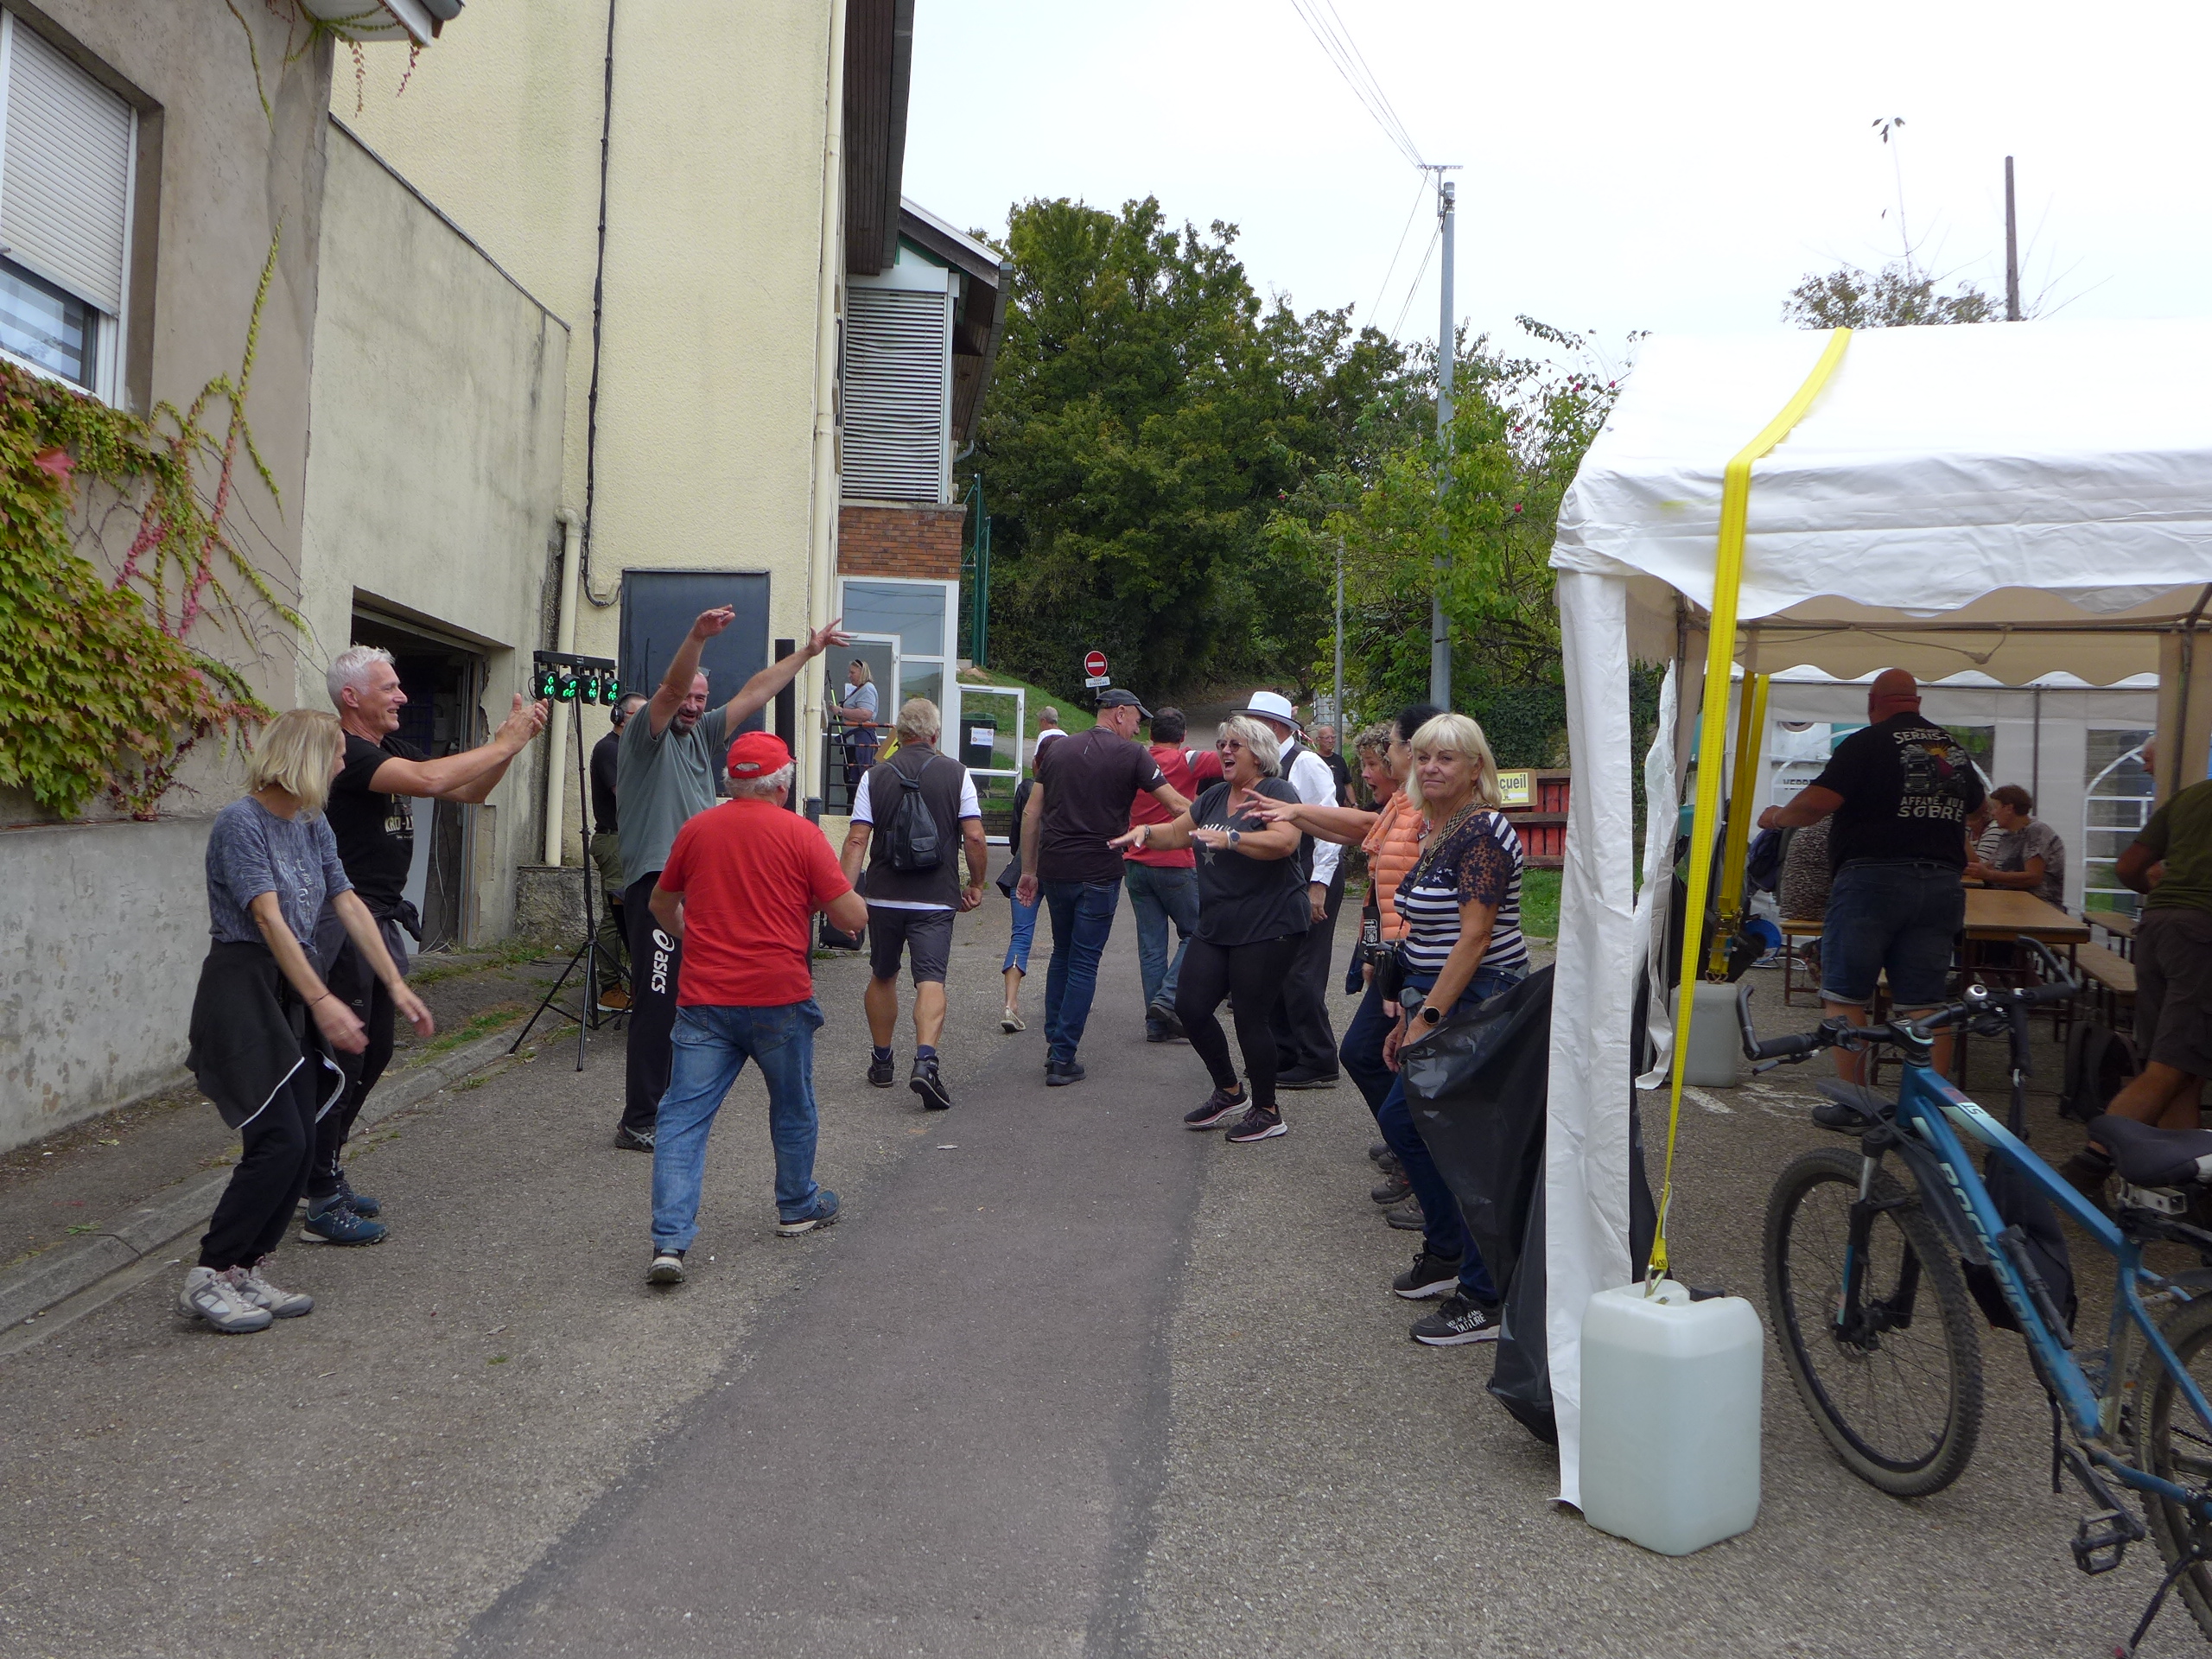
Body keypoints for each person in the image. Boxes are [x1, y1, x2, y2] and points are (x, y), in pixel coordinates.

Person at [181, 709, 433, 1332]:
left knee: (302, 1139)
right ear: (306, 758)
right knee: (279, 1141)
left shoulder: (312, 823)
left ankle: (245, 1268)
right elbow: (267, 918)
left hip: (289, 987)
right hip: (243, 988)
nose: (345, 764)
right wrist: (321, 1000)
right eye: (337, 754)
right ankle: (209, 1275)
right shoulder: (241, 822)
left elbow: (348, 902)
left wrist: (396, 983)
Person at [315, 645, 545, 1243]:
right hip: (345, 923)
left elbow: (466, 791)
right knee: (344, 1060)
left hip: (378, 921)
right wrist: (503, 740)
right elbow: (431, 779)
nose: (402, 696)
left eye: (398, 685)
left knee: (374, 1053)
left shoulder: (388, 747)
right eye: (388, 688)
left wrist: (510, 748)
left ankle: (326, 1169)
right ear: (351, 697)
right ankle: (317, 1194)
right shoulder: (349, 753)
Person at [614, 607, 851, 1152]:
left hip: (698, 884)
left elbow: (755, 692)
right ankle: (640, 1118)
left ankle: (675, 1108)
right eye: (689, 698)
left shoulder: (701, 737)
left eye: (702, 699)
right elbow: (671, 691)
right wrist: (697, 635)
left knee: (692, 1005)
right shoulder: (646, 738)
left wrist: (808, 653)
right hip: (657, 884)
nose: (694, 706)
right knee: (658, 1002)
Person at [645, 733, 868, 1284]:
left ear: (730, 781)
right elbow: (850, 918)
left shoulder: (697, 829)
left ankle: (669, 1242)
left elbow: (660, 903)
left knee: (681, 1118)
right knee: (792, 1107)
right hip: (778, 997)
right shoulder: (801, 834)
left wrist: (692, 936)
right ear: (782, 785)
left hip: (705, 999)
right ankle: (796, 1206)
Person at [1377, 713, 1529, 1346]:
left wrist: (1429, 1019)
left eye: (1447, 757)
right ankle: (1446, 1251)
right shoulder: (1441, 827)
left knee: (1456, 1142)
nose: (1432, 767)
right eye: (1424, 757)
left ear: (1475, 768)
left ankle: (1485, 1295)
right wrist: (1411, 1007)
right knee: (1407, 1124)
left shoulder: (1484, 832)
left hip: (1480, 1000)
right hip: (1442, 995)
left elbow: (1475, 938)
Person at [1759, 670, 1983, 1084]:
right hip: (1941, 884)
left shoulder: (1867, 743)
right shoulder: (1949, 748)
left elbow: (1817, 804)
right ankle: (1930, 1103)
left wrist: (1777, 818)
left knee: (1845, 995)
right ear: (1917, 702)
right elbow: (1977, 807)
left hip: (1873, 881)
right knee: (1926, 1003)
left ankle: (1855, 1100)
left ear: (1873, 703)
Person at [1258, 706, 1437, 1206]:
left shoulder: (1428, 810)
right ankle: (1409, 1155)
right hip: (1396, 959)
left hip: (1413, 964)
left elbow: (1427, 898)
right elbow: (1360, 832)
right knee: (1369, 1055)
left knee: (1382, 1060)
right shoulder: (1402, 803)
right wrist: (1294, 814)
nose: (1370, 770)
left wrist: (1295, 814)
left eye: (1384, 754)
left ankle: (1420, 1170)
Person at [1111, 715, 1307, 1141]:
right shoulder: (1215, 795)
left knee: (1251, 1018)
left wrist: (1235, 840)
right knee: (1190, 1006)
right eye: (1222, 744)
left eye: (1235, 745)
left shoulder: (1275, 792)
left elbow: (1285, 842)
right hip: (1219, 921)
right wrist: (1143, 832)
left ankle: (1267, 1110)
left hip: (1270, 921)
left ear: (1259, 754)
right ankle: (1229, 1091)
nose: (1225, 751)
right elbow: (1177, 834)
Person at [1015, 689, 1189, 1085]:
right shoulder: (1132, 756)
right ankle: (1063, 1057)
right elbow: (1177, 806)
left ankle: (1054, 1044)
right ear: (1120, 713)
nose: (1138, 729)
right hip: (1098, 870)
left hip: (1056, 868)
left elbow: (1032, 812)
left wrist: (1029, 870)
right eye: (1137, 720)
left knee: (1062, 953)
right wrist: (1221, 825)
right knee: (1083, 961)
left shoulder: (1057, 750)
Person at [839, 697, 988, 1109]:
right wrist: (976, 883)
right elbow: (975, 836)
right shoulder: (957, 773)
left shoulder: (874, 776)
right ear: (935, 735)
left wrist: (843, 898)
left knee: (883, 974)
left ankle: (882, 1061)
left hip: (884, 896)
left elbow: (856, 840)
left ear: (899, 735)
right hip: (935, 899)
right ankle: (925, 1062)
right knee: (931, 980)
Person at [1236, 690, 1344, 1089]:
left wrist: (1319, 884)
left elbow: (1331, 825)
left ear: (1274, 727)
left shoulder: (1306, 762)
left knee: (1302, 971)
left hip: (1312, 875)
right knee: (1276, 968)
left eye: (1253, 724)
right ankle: (1285, 1052)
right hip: (1283, 880)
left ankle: (1319, 1058)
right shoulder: (1265, 767)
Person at [1125, 705, 1224, 1043]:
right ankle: (1167, 1000)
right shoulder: (1188, 760)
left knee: (1151, 947)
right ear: (1183, 736)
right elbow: (1230, 761)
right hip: (1176, 860)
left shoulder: (1137, 761)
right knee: (1198, 932)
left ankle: (1157, 1026)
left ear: (1151, 734)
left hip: (1136, 861)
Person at [590, 693, 647, 1014]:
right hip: (614, 841)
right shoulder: (609, 749)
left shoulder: (632, 749)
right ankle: (609, 989)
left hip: (631, 840)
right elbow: (624, 792)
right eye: (641, 714)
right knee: (615, 916)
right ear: (621, 716)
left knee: (634, 914)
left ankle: (637, 984)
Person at [1966, 784, 2067, 906]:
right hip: (2009, 902)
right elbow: (1992, 866)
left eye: (1995, 808)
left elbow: (2033, 877)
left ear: (2009, 808)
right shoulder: (2007, 835)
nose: (1992, 813)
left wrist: (1989, 875)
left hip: (2037, 906)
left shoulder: (2036, 831)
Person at [998, 773, 1039, 1031]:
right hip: (1060, 870)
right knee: (1066, 938)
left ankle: (1010, 1004)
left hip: (1023, 869)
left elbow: (1015, 834)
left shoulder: (1027, 787)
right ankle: (1070, 996)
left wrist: (1021, 858)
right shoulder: (1072, 782)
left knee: (1021, 935)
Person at [830, 658, 879, 804]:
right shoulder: (860, 690)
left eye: (853, 672)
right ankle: (852, 808)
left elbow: (865, 713)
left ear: (862, 673)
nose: (849, 675)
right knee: (851, 779)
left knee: (857, 779)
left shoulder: (867, 689)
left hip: (861, 741)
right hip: (854, 741)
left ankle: (855, 809)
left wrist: (841, 711)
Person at [1313, 721, 1355, 808]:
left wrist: (1354, 804)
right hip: (1320, 808)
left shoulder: (1340, 760)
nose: (1330, 741)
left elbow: (1347, 784)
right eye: (1327, 738)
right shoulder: (1313, 760)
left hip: (1340, 808)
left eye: (1333, 737)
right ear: (1318, 740)